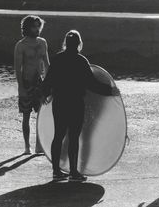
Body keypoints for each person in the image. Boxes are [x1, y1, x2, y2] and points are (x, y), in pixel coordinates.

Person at [40, 30, 120, 182]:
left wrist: (44, 94)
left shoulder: (57, 59)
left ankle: (56, 171)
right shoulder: (81, 61)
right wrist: (110, 91)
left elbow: (48, 80)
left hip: (60, 102)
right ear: (79, 44)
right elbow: (92, 84)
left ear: (65, 43)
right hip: (75, 103)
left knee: (58, 136)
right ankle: (73, 172)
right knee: (74, 137)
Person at [14, 15, 49, 155]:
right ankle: (27, 147)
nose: (37, 29)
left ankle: (39, 146)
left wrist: (49, 84)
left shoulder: (42, 43)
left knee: (42, 114)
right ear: (27, 28)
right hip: (26, 83)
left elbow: (47, 64)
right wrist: (21, 87)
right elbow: (18, 69)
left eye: (38, 26)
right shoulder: (20, 45)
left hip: (39, 83)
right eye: (34, 26)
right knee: (26, 116)